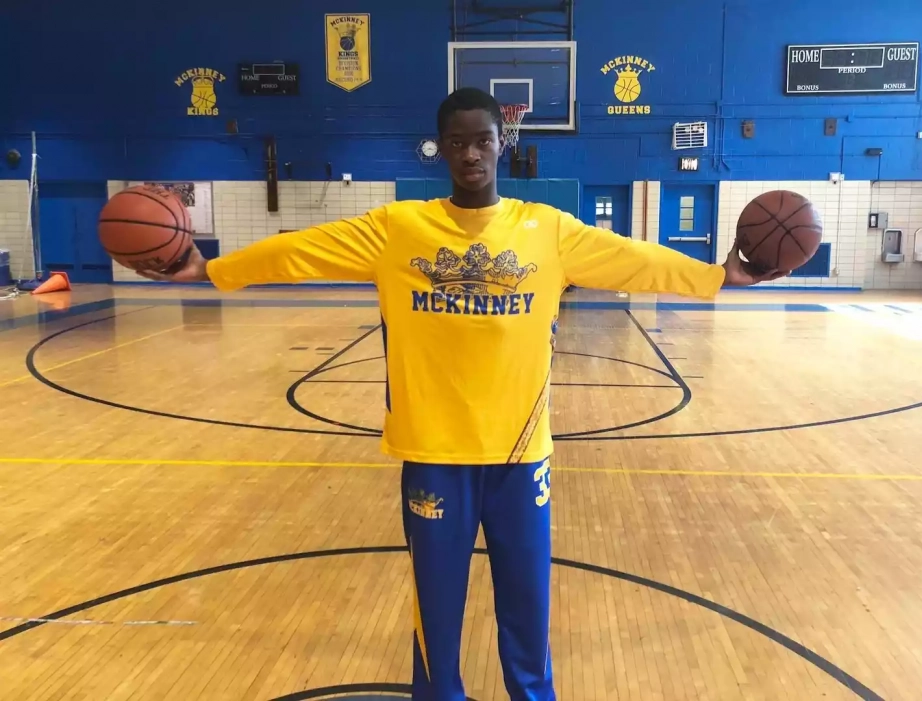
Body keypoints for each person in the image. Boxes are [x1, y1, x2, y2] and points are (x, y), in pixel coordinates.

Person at [142, 87, 783, 701]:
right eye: (457, 143)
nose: (471, 153)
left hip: (520, 456)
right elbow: (301, 250)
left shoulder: (548, 231)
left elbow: (634, 258)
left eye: (482, 140)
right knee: (437, 620)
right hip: (433, 456)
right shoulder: (399, 229)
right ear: (440, 150)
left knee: (527, 614)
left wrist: (716, 276)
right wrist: (212, 269)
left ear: (502, 142)